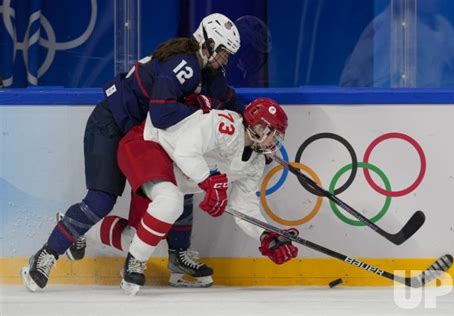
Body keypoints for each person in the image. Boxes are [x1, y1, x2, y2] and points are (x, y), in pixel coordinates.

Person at [21, 13, 244, 292]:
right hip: (112, 125)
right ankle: (45, 255)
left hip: (140, 133)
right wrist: (203, 107)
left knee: (183, 180)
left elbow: (229, 99)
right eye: (223, 51)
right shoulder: (184, 64)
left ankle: (177, 256)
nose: (225, 59)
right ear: (207, 43)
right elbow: (162, 114)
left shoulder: (205, 69)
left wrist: (256, 124)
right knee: (101, 199)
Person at [114, 97, 299, 295]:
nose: (274, 141)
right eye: (272, 133)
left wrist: (266, 234)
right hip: (148, 144)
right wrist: (207, 180)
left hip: (171, 173)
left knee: (134, 234)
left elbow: (244, 208)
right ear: (258, 127)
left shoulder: (255, 163)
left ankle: (91, 231)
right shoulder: (224, 124)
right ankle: (133, 264)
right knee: (171, 203)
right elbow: (185, 151)